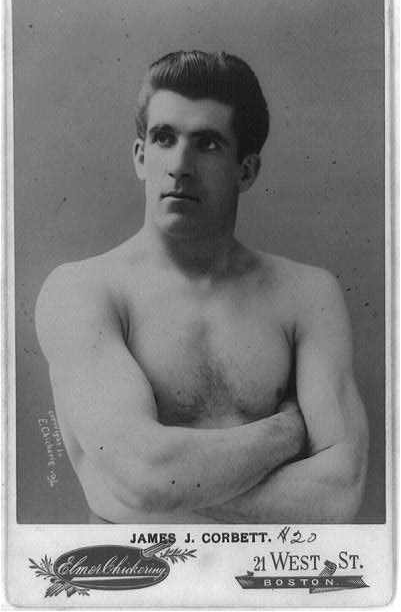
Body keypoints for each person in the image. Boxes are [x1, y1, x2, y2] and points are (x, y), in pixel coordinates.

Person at [35, 50, 369, 524]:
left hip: (270, 572)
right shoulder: (81, 292)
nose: (180, 164)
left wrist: (154, 491)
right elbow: (143, 473)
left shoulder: (307, 295)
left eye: (208, 144)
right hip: (134, 568)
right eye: (163, 138)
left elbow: (340, 494)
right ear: (140, 156)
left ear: (245, 171)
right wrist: (288, 431)